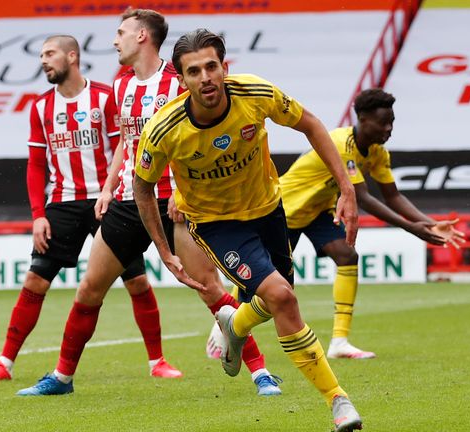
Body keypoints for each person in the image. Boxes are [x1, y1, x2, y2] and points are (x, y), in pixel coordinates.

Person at [16, 10, 281, 397]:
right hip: (128, 200)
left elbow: (195, 137)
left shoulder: (178, 83)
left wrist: (180, 190)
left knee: (208, 287)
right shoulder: (121, 84)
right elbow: (127, 140)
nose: (114, 40)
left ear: (142, 36)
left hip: (174, 203)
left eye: (120, 32)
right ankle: (62, 377)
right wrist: (108, 187)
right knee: (89, 289)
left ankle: (261, 373)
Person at [134, 29, 363, 432]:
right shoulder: (164, 129)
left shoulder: (255, 93)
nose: (205, 77)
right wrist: (164, 249)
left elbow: (310, 124)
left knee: (278, 299)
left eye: (211, 66)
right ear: (181, 79)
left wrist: (346, 187)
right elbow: (142, 186)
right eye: (193, 71)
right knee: (282, 297)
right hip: (217, 224)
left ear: (224, 67)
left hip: (269, 208)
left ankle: (234, 324)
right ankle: (338, 402)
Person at [0, 34, 183, 384]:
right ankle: (5, 363)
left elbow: (126, 147)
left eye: (50, 53)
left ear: (72, 56)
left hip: (108, 201)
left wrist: (111, 190)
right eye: (41, 54)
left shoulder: (105, 97)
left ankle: (157, 361)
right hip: (63, 202)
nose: (43, 60)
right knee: (36, 279)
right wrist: (38, 214)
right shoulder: (41, 107)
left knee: (136, 281)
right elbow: (36, 164)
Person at [279, 88, 465, 359]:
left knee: (347, 255)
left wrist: (430, 223)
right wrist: (411, 229)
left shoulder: (377, 153)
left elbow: (393, 196)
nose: (388, 129)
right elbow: (362, 197)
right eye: (383, 123)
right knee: (272, 279)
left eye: (392, 122)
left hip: (318, 210)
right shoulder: (341, 143)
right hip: (284, 210)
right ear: (363, 119)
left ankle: (339, 342)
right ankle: (226, 325)